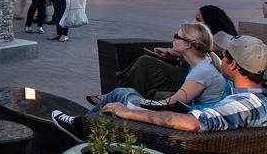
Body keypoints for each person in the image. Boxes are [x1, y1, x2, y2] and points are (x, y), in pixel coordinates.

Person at [52, 33, 267, 140]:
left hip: (180, 140)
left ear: (234, 65)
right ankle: (83, 125)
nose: (220, 56)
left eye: (224, 55)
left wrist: (131, 114)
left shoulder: (247, 105)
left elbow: (194, 124)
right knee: (123, 95)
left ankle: (83, 128)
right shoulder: (254, 96)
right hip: (190, 120)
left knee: (122, 98)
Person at [80, 22, 226, 114]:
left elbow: (173, 103)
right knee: (121, 93)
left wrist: (141, 105)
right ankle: (85, 124)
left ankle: (84, 125)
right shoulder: (206, 62)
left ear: (188, 45)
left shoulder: (201, 72)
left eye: (177, 36)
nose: (173, 38)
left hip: (190, 117)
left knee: (121, 94)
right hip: (193, 114)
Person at [116, 4, 238, 97]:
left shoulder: (216, 40)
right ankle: (123, 90)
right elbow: (195, 51)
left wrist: (173, 51)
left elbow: (199, 52)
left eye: (198, 20)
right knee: (145, 64)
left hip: (192, 78)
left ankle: (121, 89)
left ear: (212, 23)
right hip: (189, 72)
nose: (194, 22)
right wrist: (170, 51)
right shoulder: (208, 41)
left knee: (146, 63)